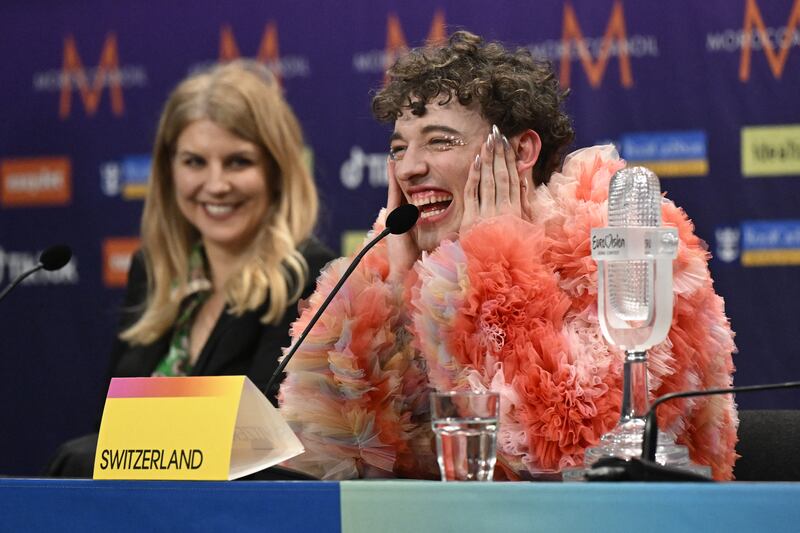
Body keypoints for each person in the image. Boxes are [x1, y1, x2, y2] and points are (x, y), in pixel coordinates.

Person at [278, 31, 738, 480]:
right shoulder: (388, 258)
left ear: (522, 151)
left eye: (440, 141)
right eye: (399, 148)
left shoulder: (620, 242)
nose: (410, 167)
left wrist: (495, 262)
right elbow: (328, 457)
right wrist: (400, 290)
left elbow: (581, 454)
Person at [46, 60, 335, 477]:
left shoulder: (310, 276)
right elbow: (109, 429)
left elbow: (264, 447)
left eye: (238, 162)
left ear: (276, 171)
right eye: (195, 162)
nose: (215, 185)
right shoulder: (154, 270)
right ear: (169, 171)